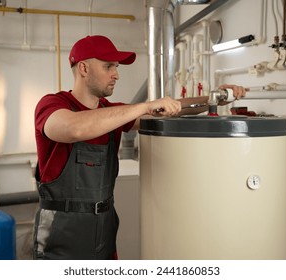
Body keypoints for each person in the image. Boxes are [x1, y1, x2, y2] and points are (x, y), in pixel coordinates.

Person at [33, 35, 246, 260]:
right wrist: (144, 106)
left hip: (104, 226)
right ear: (84, 68)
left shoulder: (111, 113)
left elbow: (172, 110)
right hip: (62, 229)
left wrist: (214, 99)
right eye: (108, 66)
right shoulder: (53, 104)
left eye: (116, 67)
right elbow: (74, 128)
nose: (116, 74)